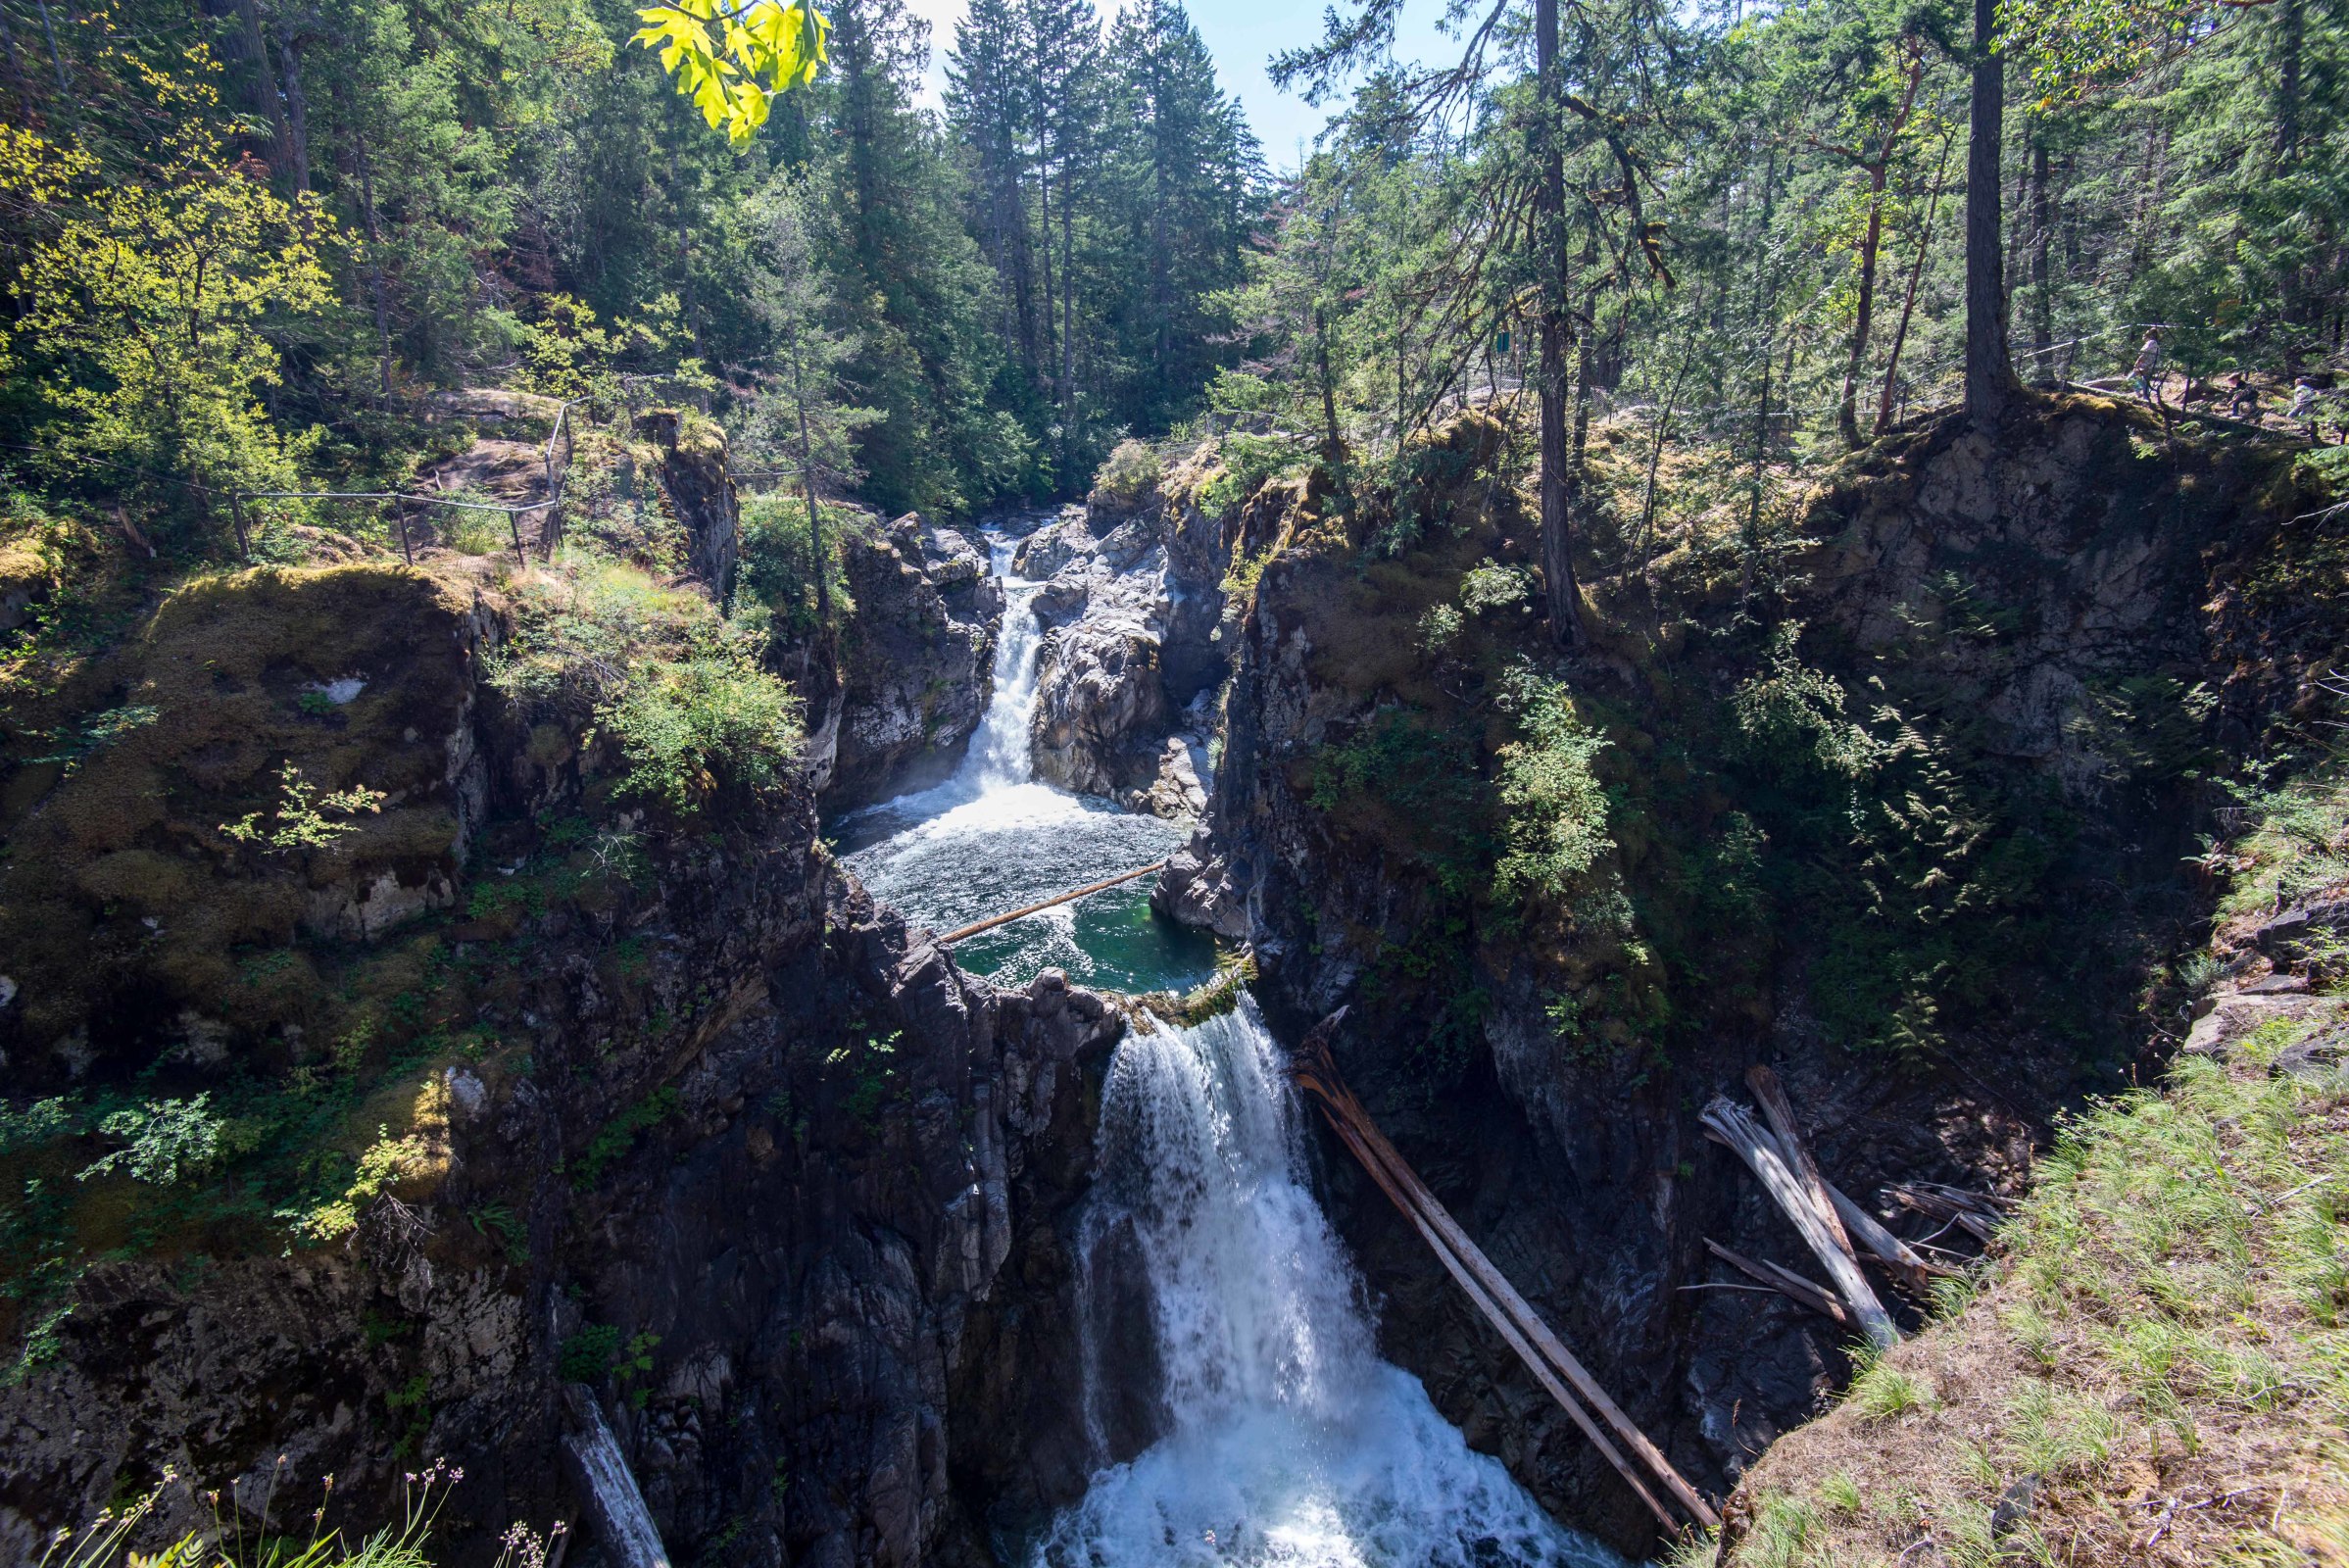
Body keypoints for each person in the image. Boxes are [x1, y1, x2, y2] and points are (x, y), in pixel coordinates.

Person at [2130, 329, 2164, 403]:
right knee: (2144, 380)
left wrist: (2138, 363)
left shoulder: (2152, 342)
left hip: (2147, 365)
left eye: (2145, 335)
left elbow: (2144, 352)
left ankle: (2143, 395)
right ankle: (2142, 395)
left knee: (2131, 379)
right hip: (2146, 365)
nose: (2144, 336)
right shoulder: (2153, 343)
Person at [2290, 377, 2325, 441]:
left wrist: (2300, 402)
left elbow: (2301, 395)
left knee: (2299, 414)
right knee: (2296, 414)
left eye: (2296, 382)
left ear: (2299, 382)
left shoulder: (2301, 387)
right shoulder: (2308, 387)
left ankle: (2303, 429)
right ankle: (2303, 426)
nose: (2295, 383)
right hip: (2307, 404)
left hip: (2304, 405)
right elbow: (2315, 393)